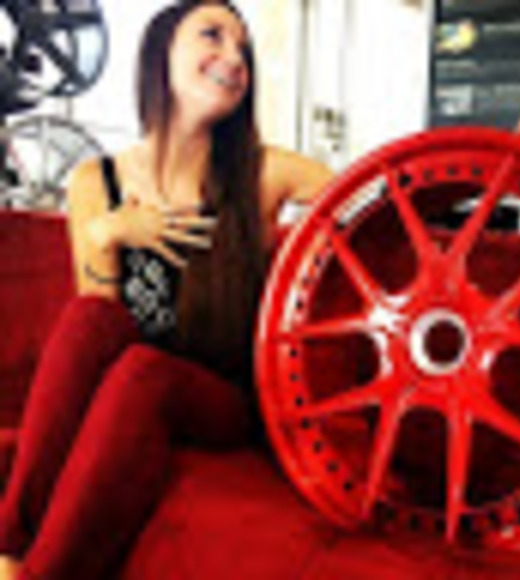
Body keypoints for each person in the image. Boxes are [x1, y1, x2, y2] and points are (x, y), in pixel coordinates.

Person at [0, 1, 332, 578]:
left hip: (226, 395)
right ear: (162, 54)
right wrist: (110, 234)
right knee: (90, 322)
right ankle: (7, 549)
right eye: (213, 35)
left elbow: (378, 193)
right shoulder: (94, 182)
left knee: (144, 371)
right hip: (133, 373)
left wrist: (481, 197)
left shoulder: (266, 170)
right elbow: (98, 332)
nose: (234, 57)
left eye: (243, 48)